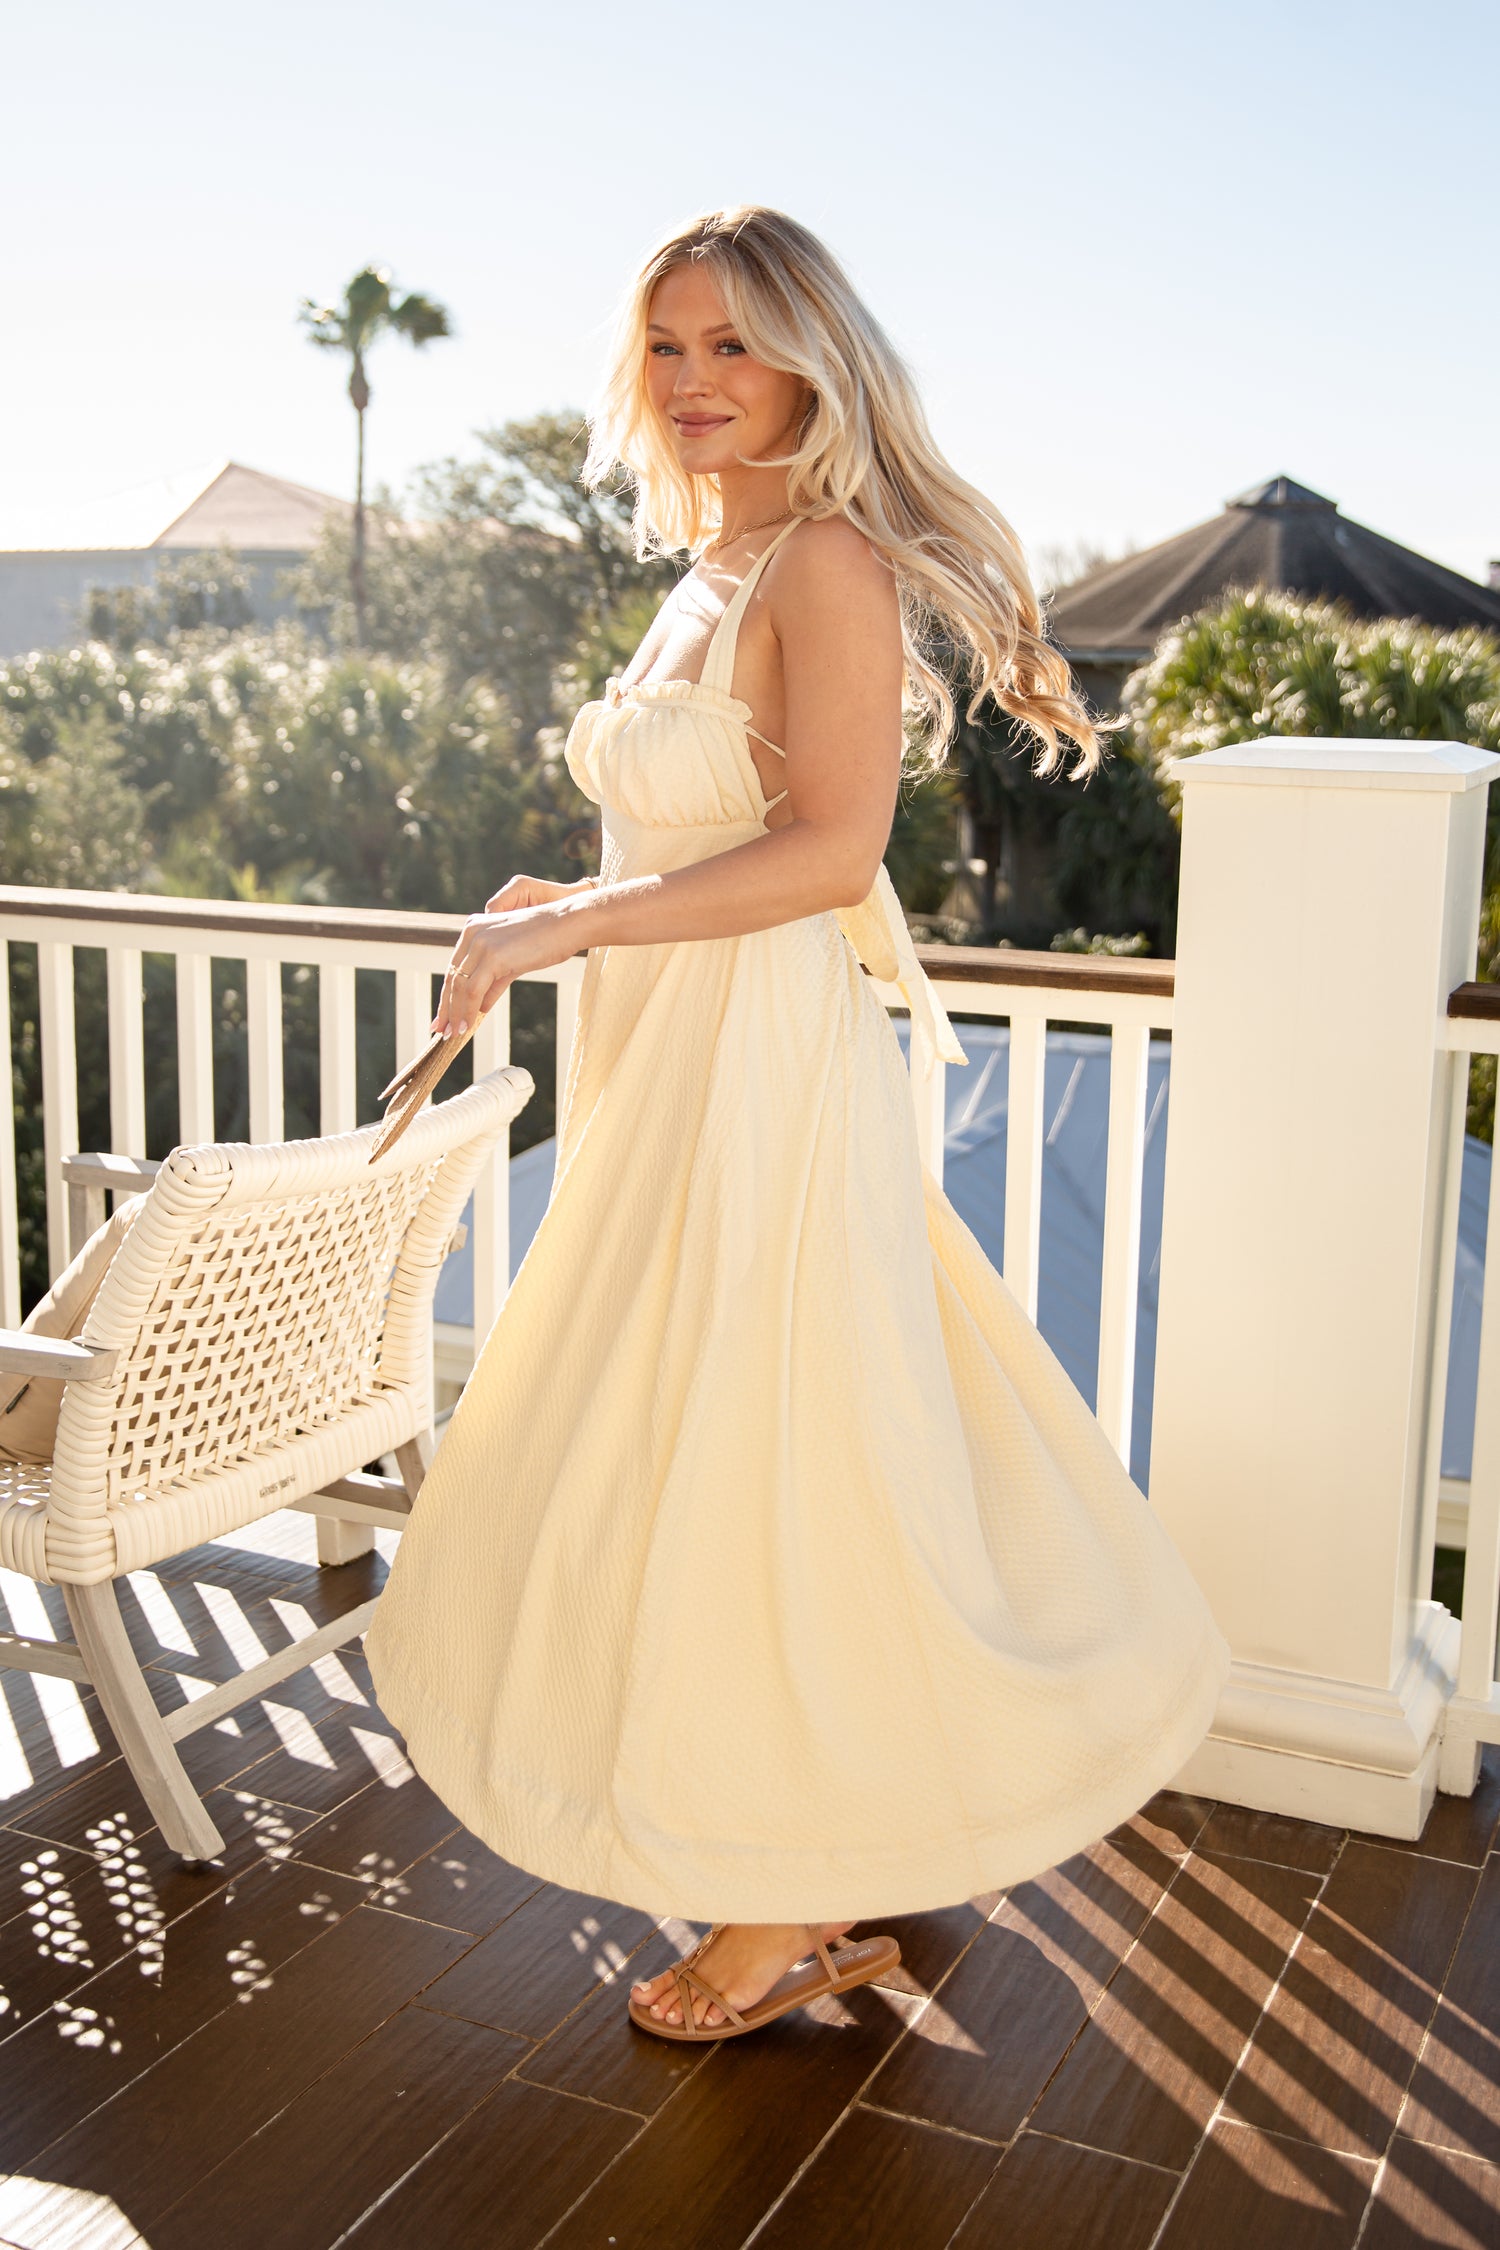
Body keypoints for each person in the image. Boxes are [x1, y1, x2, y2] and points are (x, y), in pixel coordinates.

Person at [363, 205, 1230, 2042]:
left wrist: (570, 927)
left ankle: (789, 1891)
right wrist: (546, 898)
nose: (694, 382)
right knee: (690, 1439)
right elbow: (685, 830)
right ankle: (836, 1813)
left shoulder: (822, 562)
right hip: (663, 1052)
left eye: (733, 347)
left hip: (757, 1066)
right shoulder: (708, 560)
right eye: (668, 346)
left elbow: (831, 852)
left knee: (760, 1450)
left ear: (811, 362)